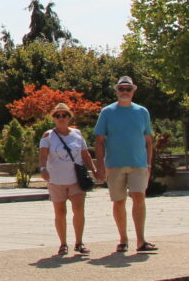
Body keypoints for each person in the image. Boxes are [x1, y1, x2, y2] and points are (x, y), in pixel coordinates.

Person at [93, 75, 156, 253]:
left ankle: (141, 240)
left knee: (139, 197)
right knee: (118, 201)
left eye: (128, 89)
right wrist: (100, 166)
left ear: (133, 91)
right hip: (115, 164)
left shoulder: (142, 112)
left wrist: (149, 164)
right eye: (121, 89)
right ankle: (123, 239)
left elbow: (148, 140)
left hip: (138, 164)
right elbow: (99, 140)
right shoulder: (107, 112)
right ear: (116, 91)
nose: (125, 92)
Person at [38, 103, 98, 256]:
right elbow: (43, 154)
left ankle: (79, 242)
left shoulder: (77, 134)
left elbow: (85, 154)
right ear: (54, 118)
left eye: (64, 115)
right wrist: (43, 169)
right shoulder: (48, 135)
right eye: (57, 115)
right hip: (56, 179)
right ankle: (63, 244)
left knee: (78, 210)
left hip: (75, 179)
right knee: (60, 212)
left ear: (69, 117)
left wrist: (94, 169)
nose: (61, 118)